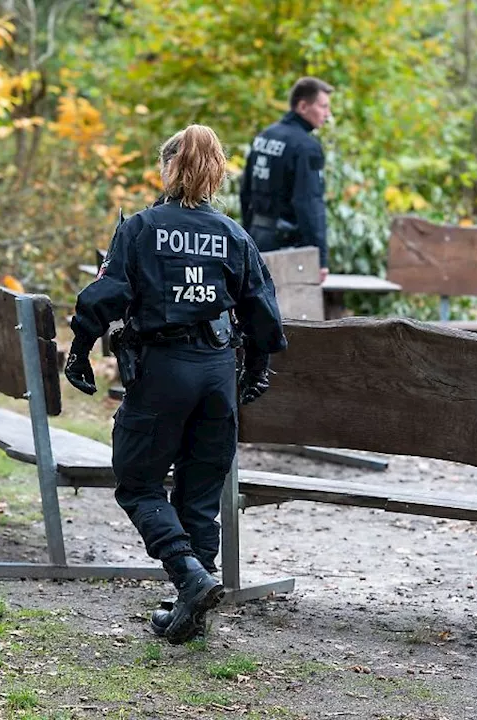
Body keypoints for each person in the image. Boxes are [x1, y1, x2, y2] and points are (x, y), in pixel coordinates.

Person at [65, 124, 287, 643]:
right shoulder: (234, 235)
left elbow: (105, 295)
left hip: (164, 371)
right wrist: (255, 372)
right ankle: (193, 603)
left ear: (168, 168)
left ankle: (188, 576)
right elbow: (263, 314)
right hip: (217, 374)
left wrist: (78, 350)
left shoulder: (141, 228)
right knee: (200, 493)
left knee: (139, 481)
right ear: (217, 172)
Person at [239, 76, 333, 283]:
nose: (328, 114)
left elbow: (245, 190)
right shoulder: (306, 147)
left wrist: (246, 236)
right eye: (323, 107)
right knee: (290, 310)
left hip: (256, 235)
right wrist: (320, 258)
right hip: (287, 247)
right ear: (303, 106)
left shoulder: (265, 136)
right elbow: (308, 203)